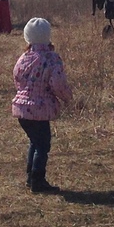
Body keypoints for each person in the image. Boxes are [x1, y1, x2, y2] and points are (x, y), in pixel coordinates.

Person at [11, 17, 71, 194]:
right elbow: (58, 83)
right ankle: (38, 180)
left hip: (22, 109)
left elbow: (17, 77)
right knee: (43, 145)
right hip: (39, 109)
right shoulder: (52, 58)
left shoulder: (24, 58)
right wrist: (67, 98)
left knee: (35, 142)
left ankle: (31, 176)